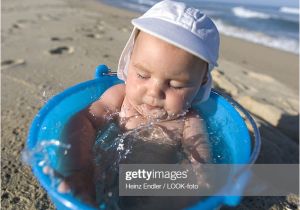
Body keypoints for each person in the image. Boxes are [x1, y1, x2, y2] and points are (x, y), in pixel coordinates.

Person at [44, 0, 220, 208]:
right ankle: (80, 184)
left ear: (201, 83)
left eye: (176, 85)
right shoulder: (119, 97)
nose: (154, 92)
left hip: (151, 187)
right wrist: (79, 166)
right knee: (82, 179)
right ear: (129, 62)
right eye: (143, 75)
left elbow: (200, 160)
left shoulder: (189, 120)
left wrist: (197, 175)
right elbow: (84, 120)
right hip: (102, 173)